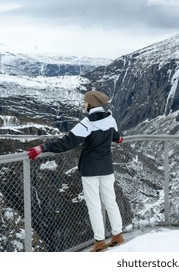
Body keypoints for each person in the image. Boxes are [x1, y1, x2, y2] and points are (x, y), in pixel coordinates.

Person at [27, 90, 125, 252]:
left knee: (94, 205)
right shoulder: (110, 118)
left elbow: (66, 143)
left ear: (90, 104)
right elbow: (115, 135)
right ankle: (117, 236)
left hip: (90, 170)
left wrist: (42, 147)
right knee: (111, 202)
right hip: (107, 168)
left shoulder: (86, 123)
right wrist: (118, 138)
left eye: (85, 102)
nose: (83, 105)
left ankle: (100, 243)